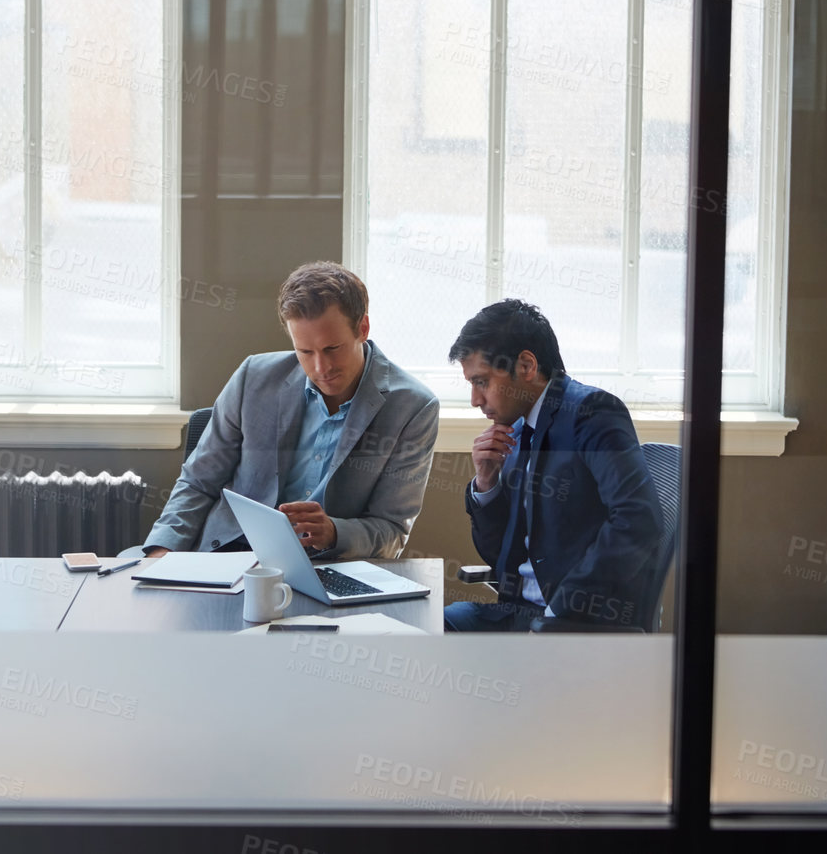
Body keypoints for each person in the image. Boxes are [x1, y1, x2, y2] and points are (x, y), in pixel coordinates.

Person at [143, 262, 439, 561]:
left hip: (330, 565)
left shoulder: (413, 407)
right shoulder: (253, 377)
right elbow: (198, 482)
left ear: (362, 328)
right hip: (230, 553)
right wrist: (161, 553)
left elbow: (391, 530)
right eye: (305, 352)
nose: (321, 369)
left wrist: (334, 532)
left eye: (332, 348)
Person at [444, 299, 660, 632]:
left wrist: (562, 608)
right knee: (430, 628)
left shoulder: (592, 413)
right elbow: (499, 557)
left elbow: (638, 520)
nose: (475, 399)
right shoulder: (517, 431)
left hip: (573, 624)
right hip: (520, 612)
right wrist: (486, 484)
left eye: (482, 382)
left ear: (527, 366)